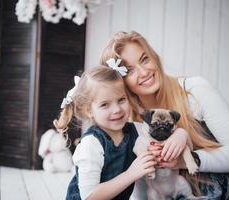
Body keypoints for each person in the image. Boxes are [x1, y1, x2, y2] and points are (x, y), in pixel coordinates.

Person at [100, 31, 229, 199]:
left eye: (145, 59)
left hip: (225, 193)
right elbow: (139, 187)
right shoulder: (128, 121)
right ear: (120, 82)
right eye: (130, 71)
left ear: (154, 57)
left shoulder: (194, 91)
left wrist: (185, 160)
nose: (144, 72)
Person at [53, 64, 157, 200]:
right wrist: (132, 173)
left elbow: (160, 136)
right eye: (104, 104)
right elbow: (89, 196)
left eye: (121, 100)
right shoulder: (91, 143)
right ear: (89, 111)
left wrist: (181, 135)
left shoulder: (135, 130)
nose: (117, 110)